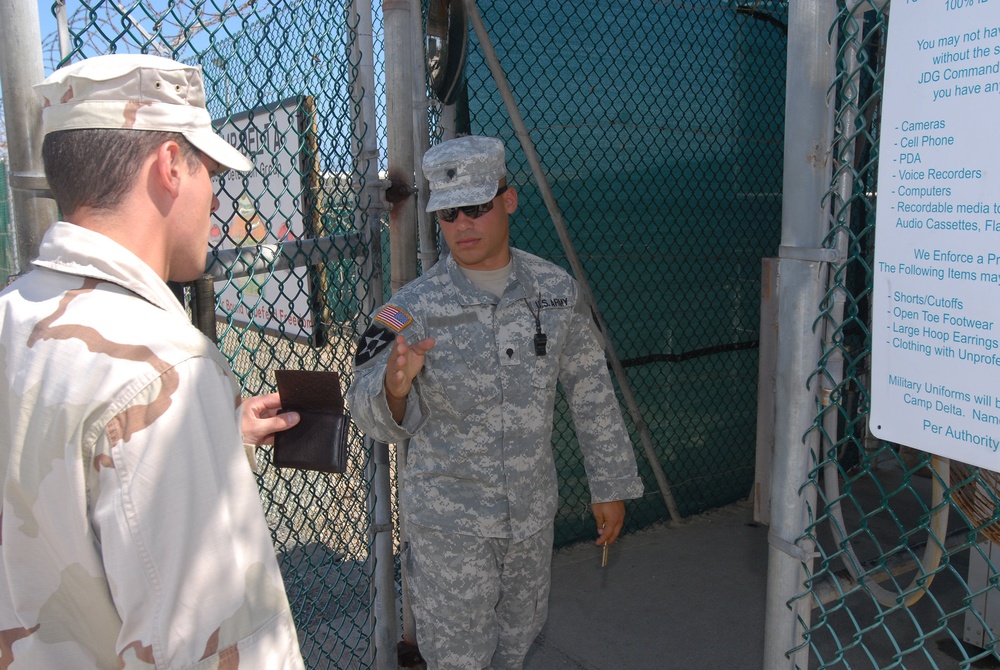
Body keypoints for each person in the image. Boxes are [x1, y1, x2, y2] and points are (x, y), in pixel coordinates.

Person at [0, 54, 305, 668]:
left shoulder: (13, 311)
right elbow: (221, 648)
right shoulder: (164, 368)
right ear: (170, 164)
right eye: (209, 169)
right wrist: (177, 418)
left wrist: (214, 433)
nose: (215, 197)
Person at [347, 135, 644, 669]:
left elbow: (591, 389)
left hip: (530, 519)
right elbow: (362, 403)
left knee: (517, 649)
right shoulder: (408, 309)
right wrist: (393, 388)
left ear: (507, 200)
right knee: (459, 661)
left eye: (477, 208)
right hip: (450, 529)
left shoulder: (555, 291)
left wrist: (611, 485)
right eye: (449, 214)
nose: (463, 225)